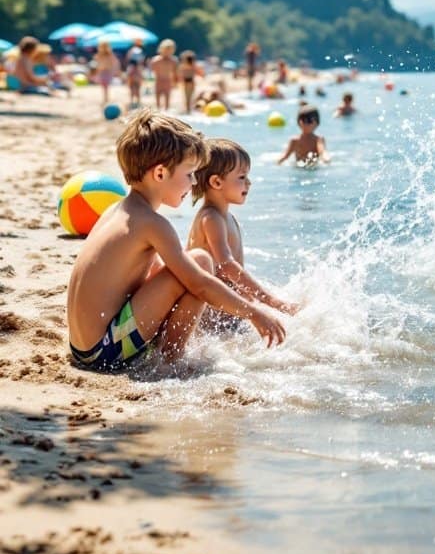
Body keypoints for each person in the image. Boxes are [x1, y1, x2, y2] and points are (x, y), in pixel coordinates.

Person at [66, 109, 286, 372]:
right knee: (201, 267)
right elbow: (200, 285)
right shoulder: (152, 223)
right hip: (102, 352)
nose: (194, 183)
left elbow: (157, 273)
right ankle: (171, 361)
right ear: (160, 174)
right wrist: (253, 312)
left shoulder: (119, 211)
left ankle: (167, 351)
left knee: (197, 261)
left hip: (84, 347)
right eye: (190, 173)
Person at [187, 138, 298, 326]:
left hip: (228, 310)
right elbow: (228, 265)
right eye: (242, 177)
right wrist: (271, 301)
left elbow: (233, 271)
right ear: (216, 181)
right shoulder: (211, 218)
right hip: (213, 317)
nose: (249, 183)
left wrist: (251, 298)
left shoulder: (227, 217)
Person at [150, 38, 178, 110]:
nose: (168, 51)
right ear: (161, 49)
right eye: (166, 49)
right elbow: (152, 72)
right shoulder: (156, 60)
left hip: (168, 81)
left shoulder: (173, 61)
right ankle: (158, 113)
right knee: (158, 102)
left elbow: (175, 73)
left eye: (170, 49)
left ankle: (166, 113)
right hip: (158, 80)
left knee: (167, 102)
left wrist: (175, 82)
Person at [93, 38, 121, 106]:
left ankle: (106, 99)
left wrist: (115, 70)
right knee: (104, 86)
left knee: (105, 86)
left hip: (106, 71)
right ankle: (106, 98)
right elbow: (97, 64)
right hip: (103, 72)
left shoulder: (109, 54)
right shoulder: (100, 55)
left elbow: (114, 62)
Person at [125, 38, 146, 110]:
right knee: (137, 87)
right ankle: (138, 102)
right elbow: (141, 61)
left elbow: (128, 60)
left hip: (132, 69)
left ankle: (132, 102)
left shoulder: (131, 50)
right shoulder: (139, 51)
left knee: (131, 87)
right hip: (137, 70)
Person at [178, 50, 199, 114]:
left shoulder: (183, 66)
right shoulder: (193, 65)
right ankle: (188, 109)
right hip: (190, 81)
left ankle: (188, 109)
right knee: (189, 97)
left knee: (187, 97)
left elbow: (180, 74)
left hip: (187, 81)